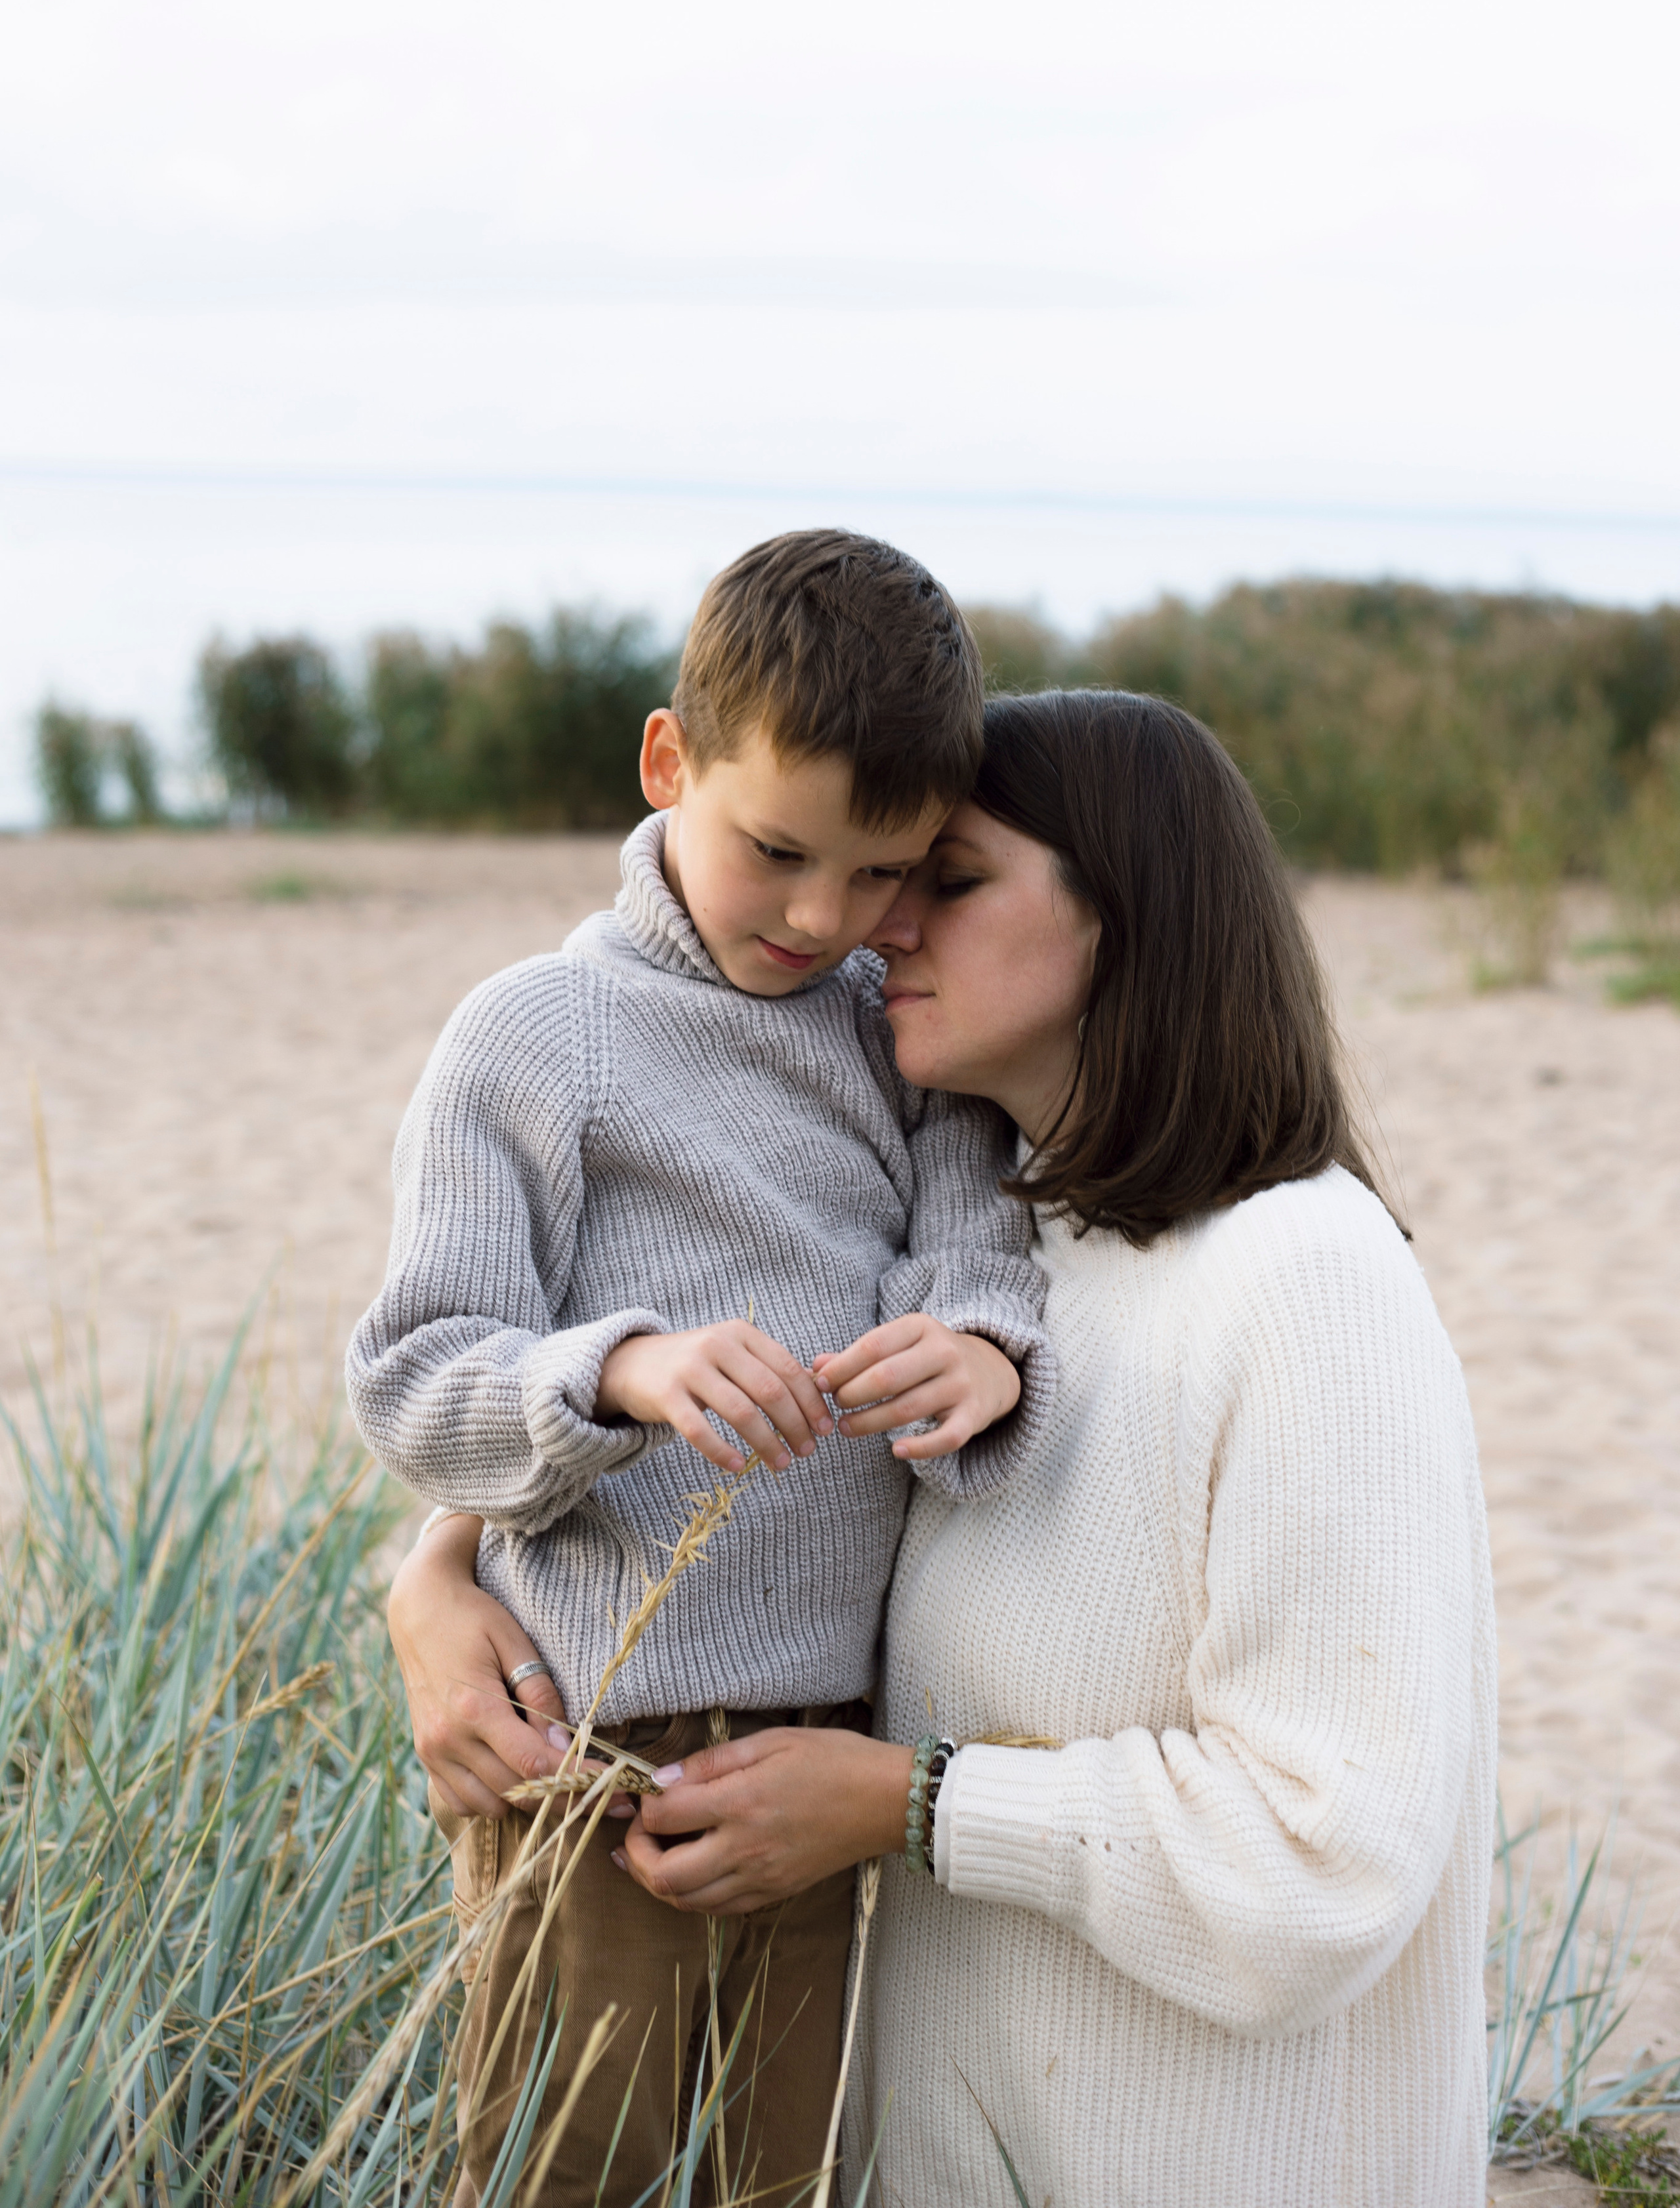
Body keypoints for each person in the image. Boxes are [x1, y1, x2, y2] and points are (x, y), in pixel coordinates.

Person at [393, 686, 1497, 2208]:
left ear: (1131, 917)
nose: (874, 925)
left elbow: (1325, 1862)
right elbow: (717, 1466)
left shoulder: (1301, 1277)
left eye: (944, 878)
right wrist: (437, 1576)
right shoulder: (994, 1266)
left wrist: (906, 1802)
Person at [346, 530, 1055, 2208]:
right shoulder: (534, 1036)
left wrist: (980, 1350)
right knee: (558, 2170)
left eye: (883, 873)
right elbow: (412, 1377)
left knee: (783, 2172)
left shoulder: (892, 1022)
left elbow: (975, 1246)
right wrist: (620, 1370)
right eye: (776, 852)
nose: (825, 919)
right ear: (669, 764)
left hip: (834, 1743)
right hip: (584, 1742)